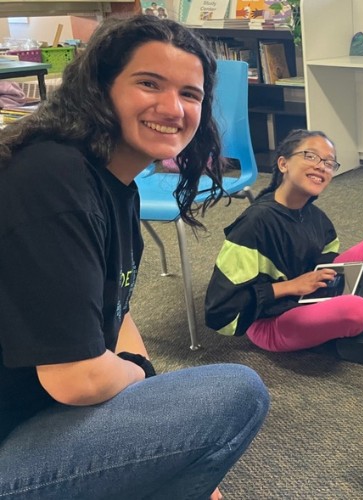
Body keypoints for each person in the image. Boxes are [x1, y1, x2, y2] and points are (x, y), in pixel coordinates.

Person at [0, 15, 269, 499]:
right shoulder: (52, 179)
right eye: (149, 83)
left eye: (190, 94)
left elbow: (117, 313)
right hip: (15, 441)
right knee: (237, 392)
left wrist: (148, 398)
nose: (173, 108)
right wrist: (142, 379)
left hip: (38, 414)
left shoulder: (114, 183)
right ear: (99, 88)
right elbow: (77, 379)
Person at [205, 129, 363, 371]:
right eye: (310, 156)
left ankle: (358, 328)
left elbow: (329, 266)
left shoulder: (317, 219)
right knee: (358, 309)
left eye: (329, 163)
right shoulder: (254, 224)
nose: (321, 166)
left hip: (311, 298)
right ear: (283, 163)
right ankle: (351, 337)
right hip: (271, 321)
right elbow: (219, 311)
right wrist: (290, 286)